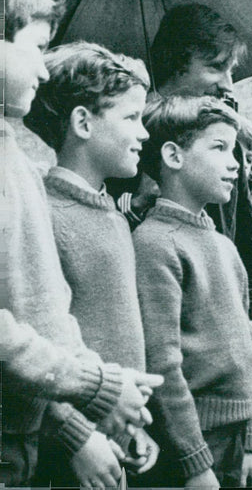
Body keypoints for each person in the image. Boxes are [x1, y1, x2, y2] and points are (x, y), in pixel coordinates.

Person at [1, 0, 162, 488]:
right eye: (36, 49)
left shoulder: (24, 168)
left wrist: (124, 414)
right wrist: (77, 427)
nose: (43, 69)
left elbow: (55, 323)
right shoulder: (45, 200)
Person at [24, 41, 160, 482]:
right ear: (83, 122)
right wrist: (76, 437)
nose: (144, 134)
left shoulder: (113, 217)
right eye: (131, 118)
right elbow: (33, 351)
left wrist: (132, 426)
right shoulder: (44, 213)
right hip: (65, 455)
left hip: (112, 446)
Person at [133, 96, 252, 488]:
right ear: (173, 156)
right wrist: (194, 460)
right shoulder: (155, 243)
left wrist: (251, 442)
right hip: (185, 444)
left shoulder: (224, 245)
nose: (235, 162)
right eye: (219, 148)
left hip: (235, 441)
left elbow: (245, 353)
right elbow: (162, 364)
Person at [117, 3, 252, 324]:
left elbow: (245, 246)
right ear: (175, 63)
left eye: (231, 70)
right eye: (216, 67)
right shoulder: (130, 141)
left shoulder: (231, 145)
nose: (228, 84)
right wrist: (139, 205)